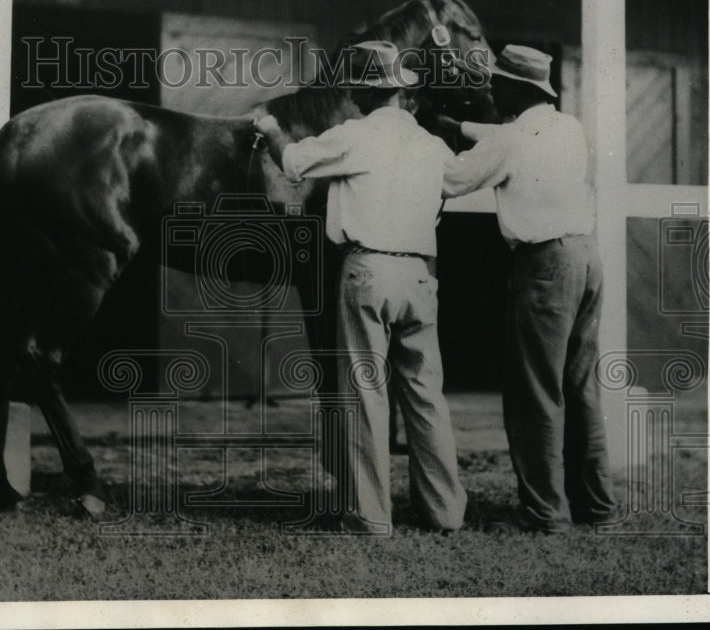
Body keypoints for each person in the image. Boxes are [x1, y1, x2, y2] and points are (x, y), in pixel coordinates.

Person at [256, 40, 467, 534]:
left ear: (360, 93)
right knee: (426, 394)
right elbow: (458, 182)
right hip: (419, 274)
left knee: (365, 393)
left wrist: (269, 128)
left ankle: (372, 516)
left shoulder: (353, 135)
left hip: (367, 272)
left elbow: (292, 163)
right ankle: (445, 512)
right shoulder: (430, 144)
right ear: (400, 93)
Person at [441, 44, 617, 533]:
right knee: (580, 388)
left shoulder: (510, 140)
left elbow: (453, 179)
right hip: (586, 256)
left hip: (543, 266)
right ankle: (595, 507)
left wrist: (426, 142)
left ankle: (546, 515)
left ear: (518, 89)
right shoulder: (567, 126)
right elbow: (505, 136)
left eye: (497, 83)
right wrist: (458, 128)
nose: (491, 91)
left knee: (533, 394)